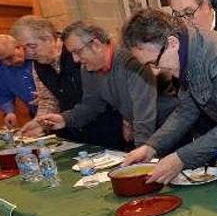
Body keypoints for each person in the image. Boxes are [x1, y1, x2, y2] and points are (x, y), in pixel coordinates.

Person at [120, 8, 217, 185]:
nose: (154, 72)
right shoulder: (187, 50)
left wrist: (179, 159)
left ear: (172, 43)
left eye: (154, 63)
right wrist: (151, 147)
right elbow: (186, 111)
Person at [20, 21, 167, 149]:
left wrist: (141, 153)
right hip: (146, 140)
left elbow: (144, 114)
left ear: (96, 45)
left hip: (166, 132)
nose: (75, 60)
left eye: (77, 52)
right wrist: (65, 119)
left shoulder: (131, 60)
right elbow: (91, 106)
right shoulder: (88, 68)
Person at [10, 15, 125, 150]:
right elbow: (48, 99)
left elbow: (109, 92)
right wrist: (41, 122)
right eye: (23, 48)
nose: (28, 54)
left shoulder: (78, 51)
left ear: (48, 38)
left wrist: (127, 119)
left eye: (32, 46)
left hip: (108, 127)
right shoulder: (38, 65)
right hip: (74, 130)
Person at [0, 34, 36, 128]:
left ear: (19, 47)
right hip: (36, 113)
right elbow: (3, 93)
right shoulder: (0, 67)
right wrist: (9, 112)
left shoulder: (37, 57)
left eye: (9, 57)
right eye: (3, 60)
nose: (8, 63)